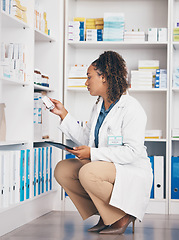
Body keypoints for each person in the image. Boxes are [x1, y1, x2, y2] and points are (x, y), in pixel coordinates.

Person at [50, 51, 153, 235]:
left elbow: (132, 152)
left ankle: (122, 216)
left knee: (88, 172)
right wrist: (63, 114)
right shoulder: (99, 106)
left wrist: (92, 154)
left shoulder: (131, 108)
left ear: (104, 77)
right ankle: (107, 215)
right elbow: (87, 138)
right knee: (63, 170)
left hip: (129, 167)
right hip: (106, 165)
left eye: (89, 77)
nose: (86, 82)